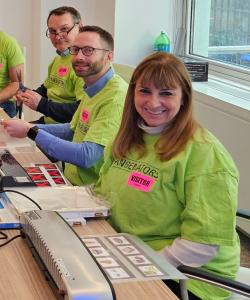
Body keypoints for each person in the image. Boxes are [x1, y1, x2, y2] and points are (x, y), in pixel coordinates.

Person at [94, 52, 240, 300]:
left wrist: (142, 268)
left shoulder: (205, 154)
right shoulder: (129, 137)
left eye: (166, 93)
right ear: (133, 94)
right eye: (145, 91)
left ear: (183, 98)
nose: (153, 103)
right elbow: (102, 195)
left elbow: (201, 246)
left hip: (188, 275)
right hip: (128, 252)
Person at [1, 26, 126, 186]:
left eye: (88, 50)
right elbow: (72, 130)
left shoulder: (115, 98)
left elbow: (86, 156)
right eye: (75, 49)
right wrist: (28, 128)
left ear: (109, 56)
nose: (79, 56)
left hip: (92, 191)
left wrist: (31, 131)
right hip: (70, 180)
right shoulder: (91, 85)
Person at [16, 6, 84, 124]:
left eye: (64, 29)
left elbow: (81, 111)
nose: (58, 36)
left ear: (80, 27)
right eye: (52, 31)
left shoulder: (83, 65)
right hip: (48, 123)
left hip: (66, 131)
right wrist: (27, 94)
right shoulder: (57, 60)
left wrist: (41, 104)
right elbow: (47, 88)